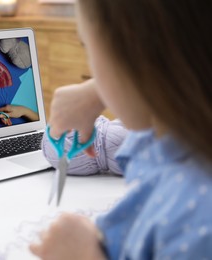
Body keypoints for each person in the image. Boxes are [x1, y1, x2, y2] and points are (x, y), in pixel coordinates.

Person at [30, 0, 212, 259]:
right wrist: (98, 91)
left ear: (132, 59)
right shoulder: (172, 137)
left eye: (87, 48)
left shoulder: (196, 217)